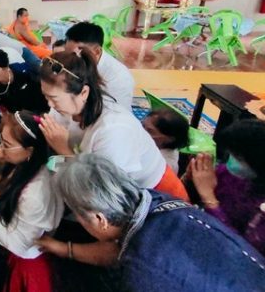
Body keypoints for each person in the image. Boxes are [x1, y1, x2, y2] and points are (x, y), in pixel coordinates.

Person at [37, 154, 265, 291]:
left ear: (99, 219)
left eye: (77, 214)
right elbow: (117, 252)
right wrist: (62, 248)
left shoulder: (141, 270)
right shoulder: (159, 202)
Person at [38, 50, 188, 201]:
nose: (50, 104)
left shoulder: (113, 130)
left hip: (155, 197)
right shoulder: (70, 106)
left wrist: (64, 150)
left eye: (54, 98)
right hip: (102, 186)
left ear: (83, 92)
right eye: (45, 96)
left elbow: (107, 193)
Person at [0, 111, 64, 291]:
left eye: (6, 145)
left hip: (25, 257)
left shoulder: (35, 195)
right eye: (1, 140)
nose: (0, 149)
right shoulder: (32, 163)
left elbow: (13, 240)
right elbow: (11, 185)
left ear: (29, 150)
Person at [187, 119, 265, 255]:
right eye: (231, 154)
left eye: (239, 158)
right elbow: (194, 195)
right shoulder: (229, 172)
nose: (231, 160)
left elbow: (243, 252)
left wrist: (209, 198)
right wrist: (191, 178)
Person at [62, 21, 134, 110]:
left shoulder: (118, 77)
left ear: (97, 51)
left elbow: (115, 112)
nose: (71, 60)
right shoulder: (74, 62)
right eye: (67, 53)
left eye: (76, 54)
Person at [142, 108, 189, 174]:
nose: (141, 131)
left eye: (150, 131)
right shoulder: (156, 146)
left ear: (169, 139)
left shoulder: (163, 165)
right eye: (142, 126)